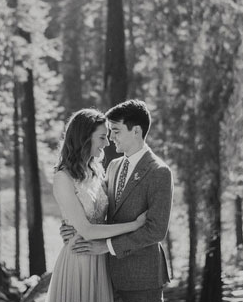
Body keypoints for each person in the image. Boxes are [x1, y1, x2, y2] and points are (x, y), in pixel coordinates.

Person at [62, 99, 174, 302]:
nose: (111, 138)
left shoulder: (159, 172)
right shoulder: (113, 166)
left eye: (116, 131)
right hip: (107, 275)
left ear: (136, 131)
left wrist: (107, 247)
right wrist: (74, 226)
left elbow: (156, 230)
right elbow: (97, 205)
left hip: (141, 278)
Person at [46, 108, 147, 302]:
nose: (107, 142)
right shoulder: (63, 177)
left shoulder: (97, 172)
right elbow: (88, 230)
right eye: (102, 137)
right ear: (85, 137)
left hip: (101, 259)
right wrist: (134, 225)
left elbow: (107, 215)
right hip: (79, 258)